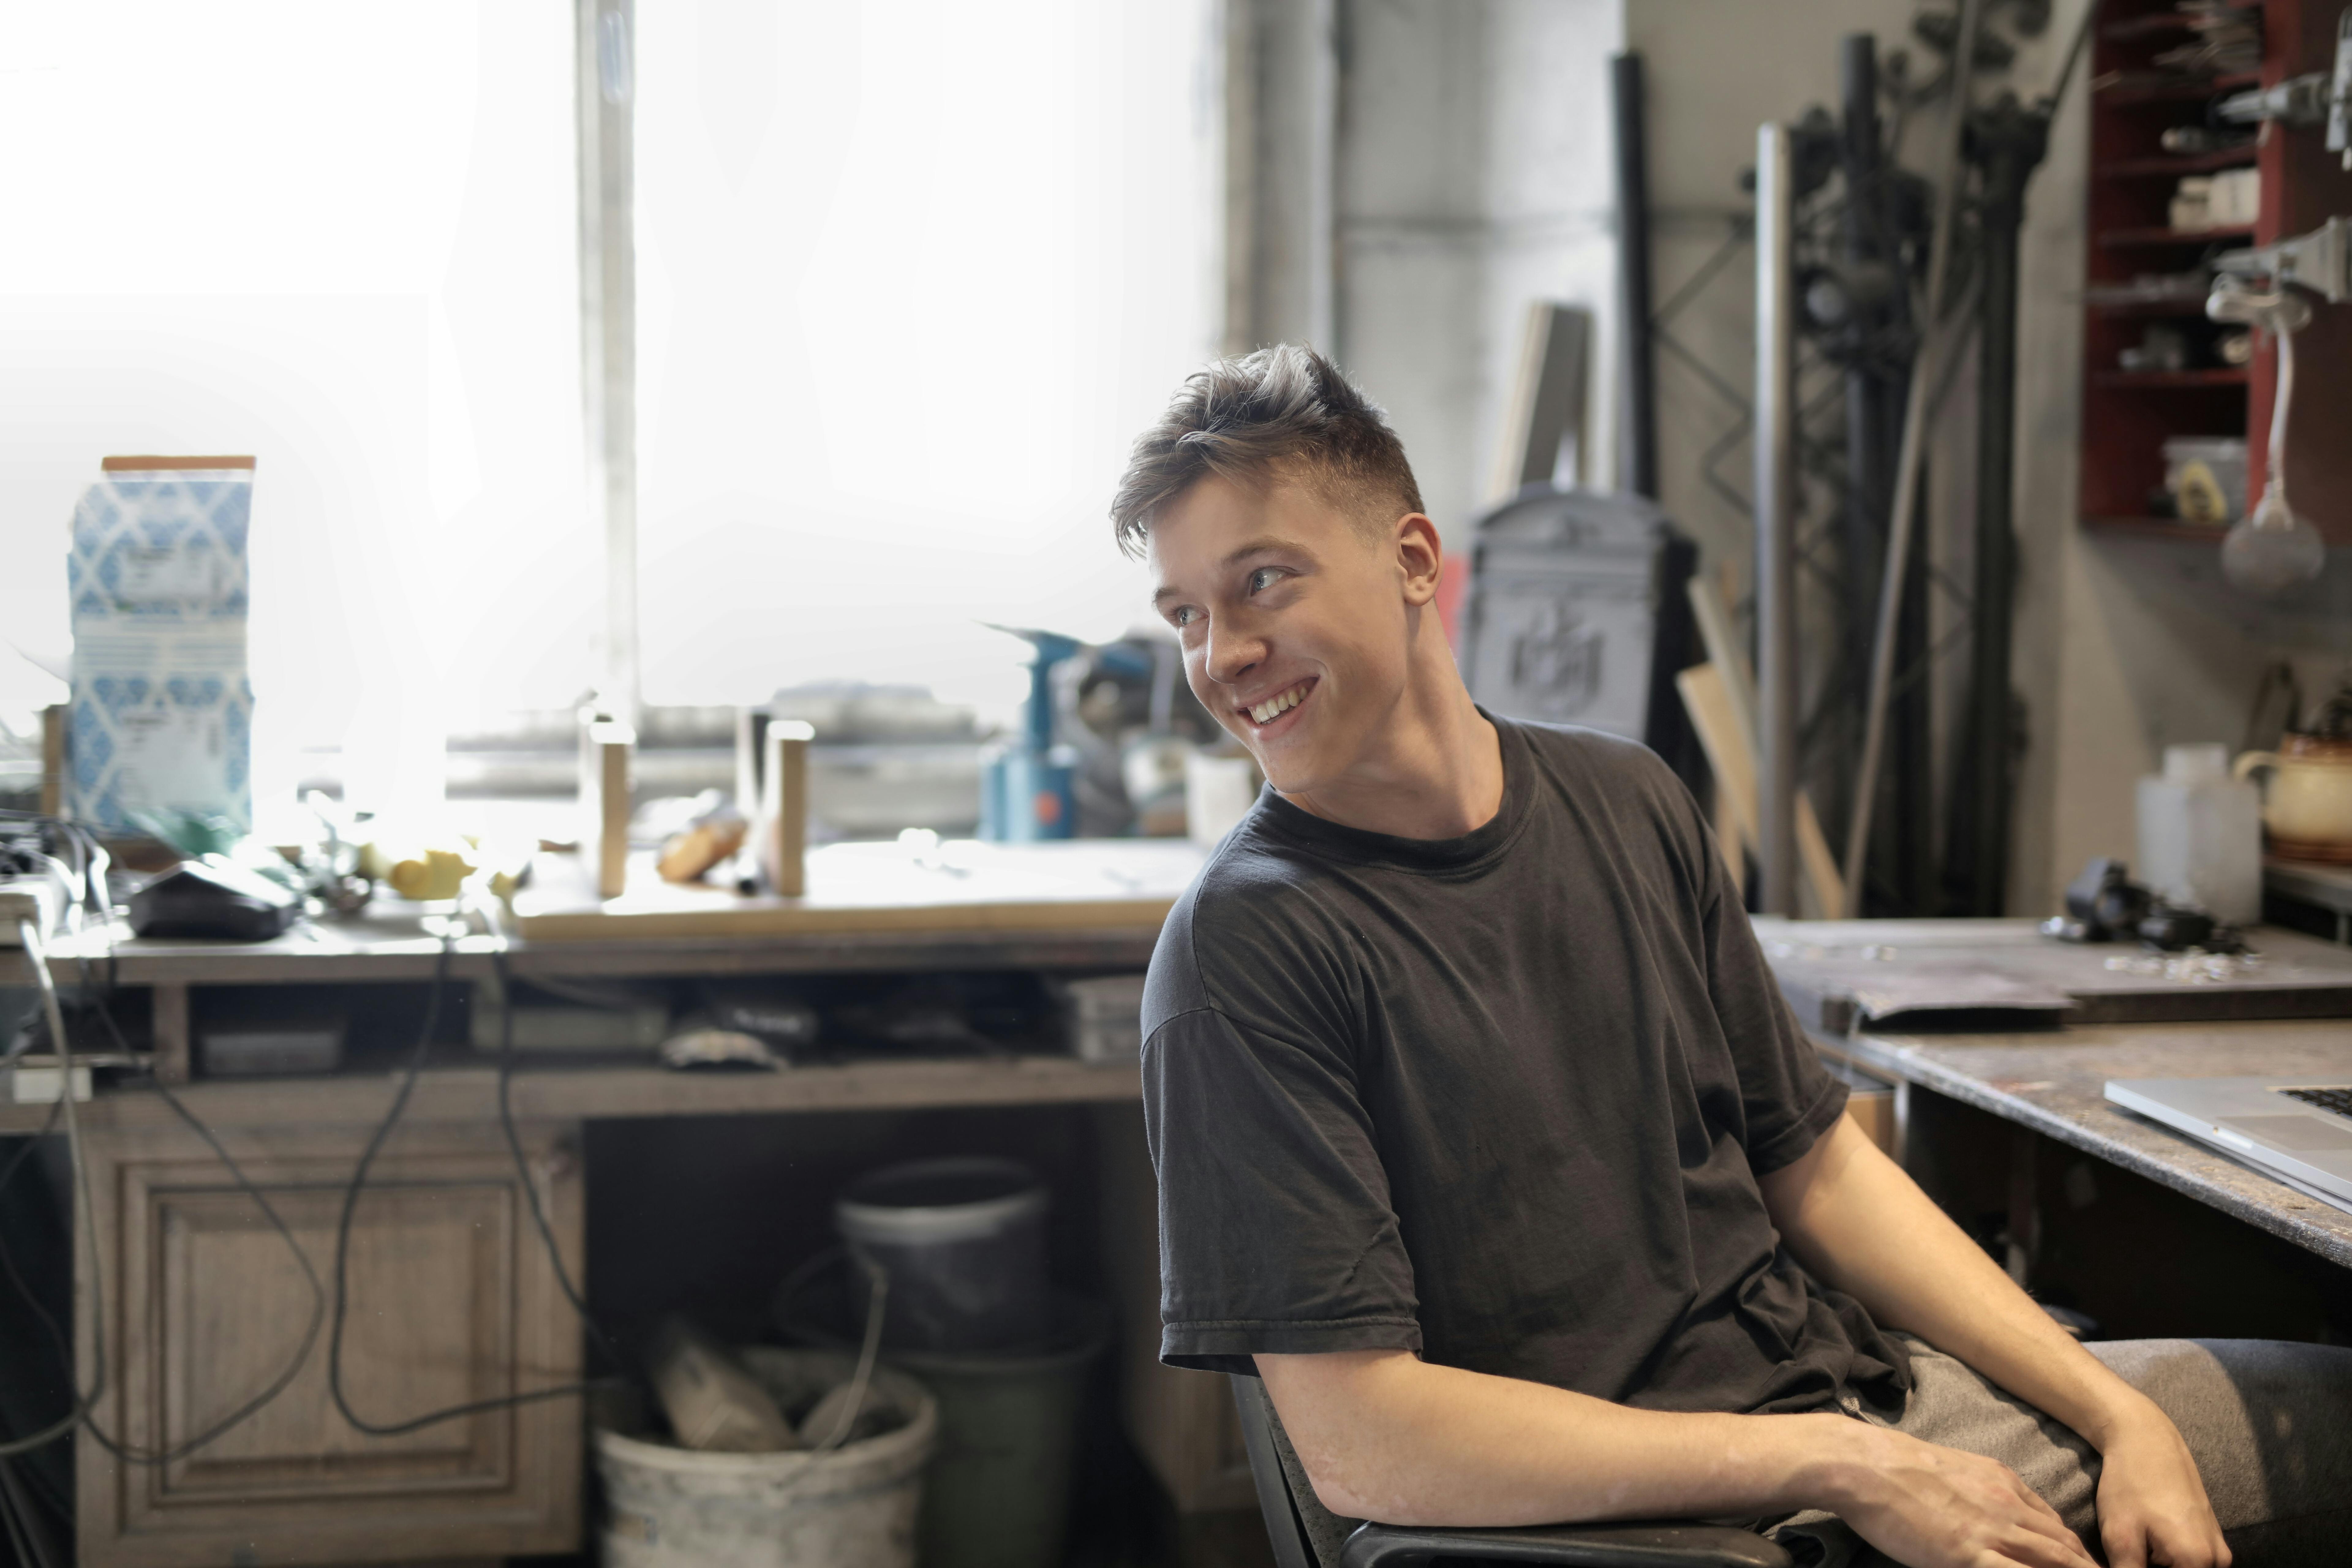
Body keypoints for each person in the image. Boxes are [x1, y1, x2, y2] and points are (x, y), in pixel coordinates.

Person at [1114, 344, 2352, 1568]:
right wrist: (1844, 1466)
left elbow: (1815, 1167)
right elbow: (1362, 1441)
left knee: (2315, 1420)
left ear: (1414, 563)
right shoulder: (1243, 952)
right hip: (1669, 1525)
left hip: (1859, 1411)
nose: (1219, 657)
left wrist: (2109, 1407)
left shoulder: (1630, 798)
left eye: (1262, 582)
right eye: (1187, 615)